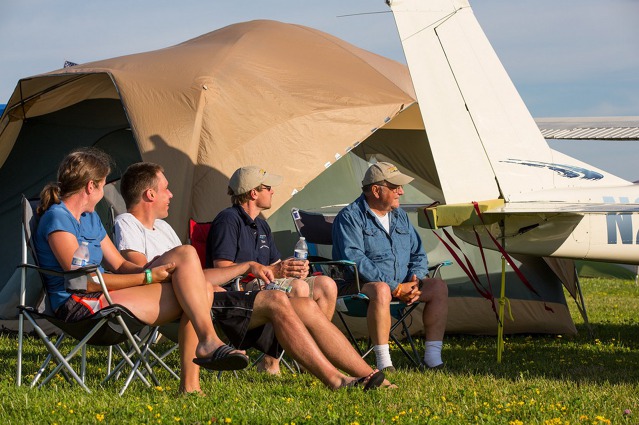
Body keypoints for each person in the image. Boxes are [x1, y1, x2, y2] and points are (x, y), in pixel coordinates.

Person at [113, 161, 389, 391]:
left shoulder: (164, 230)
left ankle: (368, 374)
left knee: (303, 302)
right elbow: (143, 274)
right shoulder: (128, 223)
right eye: (165, 189)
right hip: (193, 307)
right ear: (149, 194)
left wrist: (271, 268)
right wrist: (246, 268)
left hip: (209, 298)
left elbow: (197, 276)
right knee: (280, 300)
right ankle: (333, 378)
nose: (171, 194)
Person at [33, 148, 251, 396]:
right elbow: (83, 282)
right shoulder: (57, 219)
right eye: (103, 186)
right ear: (90, 186)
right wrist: (147, 277)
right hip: (80, 305)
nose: (104, 193)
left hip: (104, 294)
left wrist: (157, 271)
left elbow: (120, 264)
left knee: (189, 264)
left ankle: (202, 358)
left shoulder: (89, 217)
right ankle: (203, 355)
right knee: (196, 285)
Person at [206, 165, 338, 374]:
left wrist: (293, 269)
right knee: (297, 289)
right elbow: (221, 268)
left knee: (326, 286)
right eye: (268, 187)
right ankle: (271, 360)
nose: (273, 191)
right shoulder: (228, 220)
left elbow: (276, 266)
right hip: (240, 288)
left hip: (266, 283)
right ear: (253, 192)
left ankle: (310, 358)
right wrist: (277, 273)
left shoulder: (261, 225)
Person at [332, 162, 449, 372]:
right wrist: (395, 287)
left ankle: (432, 358)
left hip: (401, 286)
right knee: (381, 289)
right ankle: (384, 362)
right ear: (376, 190)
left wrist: (415, 280)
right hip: (359, 287)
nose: (401, 192)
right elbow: (354, 259)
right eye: (395, 187)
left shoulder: (400, 216)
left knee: (438, 287)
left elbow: (417, 253)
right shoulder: (350, 217)